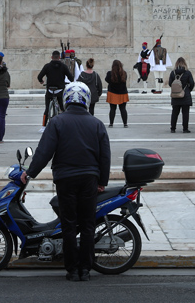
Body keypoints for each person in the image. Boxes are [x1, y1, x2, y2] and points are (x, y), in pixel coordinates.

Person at [21, 82, 111, 282]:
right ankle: (85, 270)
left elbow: (44, 152)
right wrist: (102, 181)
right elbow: (105, 156)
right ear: (86, 100)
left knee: (68, 225)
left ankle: (71, 270)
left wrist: (30, 173)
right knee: (88, 225)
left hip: (65, 179)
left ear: (66, 100)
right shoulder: (97, 124)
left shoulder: (57, 122)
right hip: (89, 179)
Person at [38, 50, 74, 131]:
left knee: (47, 108)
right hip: (60, 90)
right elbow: (71, 78)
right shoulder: (64, 66)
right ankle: (66, 124)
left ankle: (43, 126)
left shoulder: (47, 66)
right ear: (60, 57)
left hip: (50, 90)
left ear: (51, 57)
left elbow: (39, 76)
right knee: (63, 108)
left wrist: (41, 81)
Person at [168, 57, 194, 133]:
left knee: (175, 112)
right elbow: (192, 83)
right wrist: (188, 90)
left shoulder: (173, 73)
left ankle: (173, 128)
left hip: (175, 95)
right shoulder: (187, 73)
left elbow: (170, 83)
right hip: (185, 94)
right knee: (185, 113)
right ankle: (185, 128)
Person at [104, 59, 129, 128]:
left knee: (112, 109)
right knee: (123, 109)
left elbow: (106, 80)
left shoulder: (110, 73)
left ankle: (111, 123)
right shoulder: (124, 73)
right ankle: (125, 123)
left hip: (112, 93)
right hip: (122, 93)